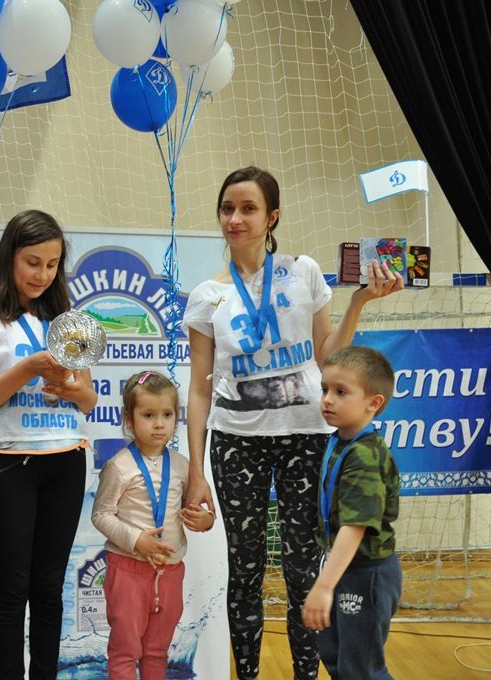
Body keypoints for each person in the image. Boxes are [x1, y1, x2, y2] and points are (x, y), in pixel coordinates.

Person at [183, 166, 403, 679]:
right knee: (245, 570)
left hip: (305, 436)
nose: (235, 219)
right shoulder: (206, 295)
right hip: (236, 441)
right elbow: (198, 389)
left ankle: (306, 674)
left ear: (272, 217)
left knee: (304, 568)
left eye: (248, 208)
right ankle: (249, 675)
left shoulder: (303, 272)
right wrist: (196, 470)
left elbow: (328, 356)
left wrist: (358, 302)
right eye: (227, 208)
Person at [0, 209, 97, 679]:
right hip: (8, 465)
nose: (42, 275)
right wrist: (27, 369)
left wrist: (69, 388)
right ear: (9, 258)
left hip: (66, 461)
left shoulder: (69, 320)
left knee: (48, 587)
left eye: (52, 264)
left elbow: (88, 399)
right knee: (12, 588)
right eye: (32, 262)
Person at [91, 370, 214, 680]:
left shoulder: (183, 465)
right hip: (127, 569)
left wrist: (205, 521)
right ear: (129, 420)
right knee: (125, 649)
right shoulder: (119, 466)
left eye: (167, 415)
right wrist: (136, 540)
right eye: (148, 415)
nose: (159, 424)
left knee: (158, 651)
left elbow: (194, 510)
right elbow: (101, 515)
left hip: (170, 571)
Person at [302, 345, 401, 679]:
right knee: (335, 657)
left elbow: (355, 527)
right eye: (325, 390)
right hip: (342, 567)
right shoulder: (338, 441)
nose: (328, 400)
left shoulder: (365, 455)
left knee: (361, 669)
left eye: (341, 392)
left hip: (366, 574)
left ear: (374, 403)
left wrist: (323, 586)